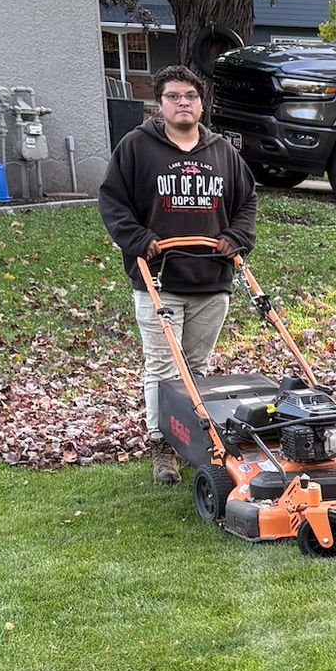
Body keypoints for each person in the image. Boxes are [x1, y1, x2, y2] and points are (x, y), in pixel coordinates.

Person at [98, 65, 256, 484]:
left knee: (197, 369)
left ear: (202, 103)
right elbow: (113, 203)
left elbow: (247, 206)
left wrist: (235, 237)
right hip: (159, 278)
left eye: (190, 95)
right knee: (164, 369)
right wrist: (139, 239)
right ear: (160, 102)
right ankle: (162, 447)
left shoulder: (223, 152)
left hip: (212, 278)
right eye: (173, 96)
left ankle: (194, 440)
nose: (182, 102)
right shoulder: (136, 147)